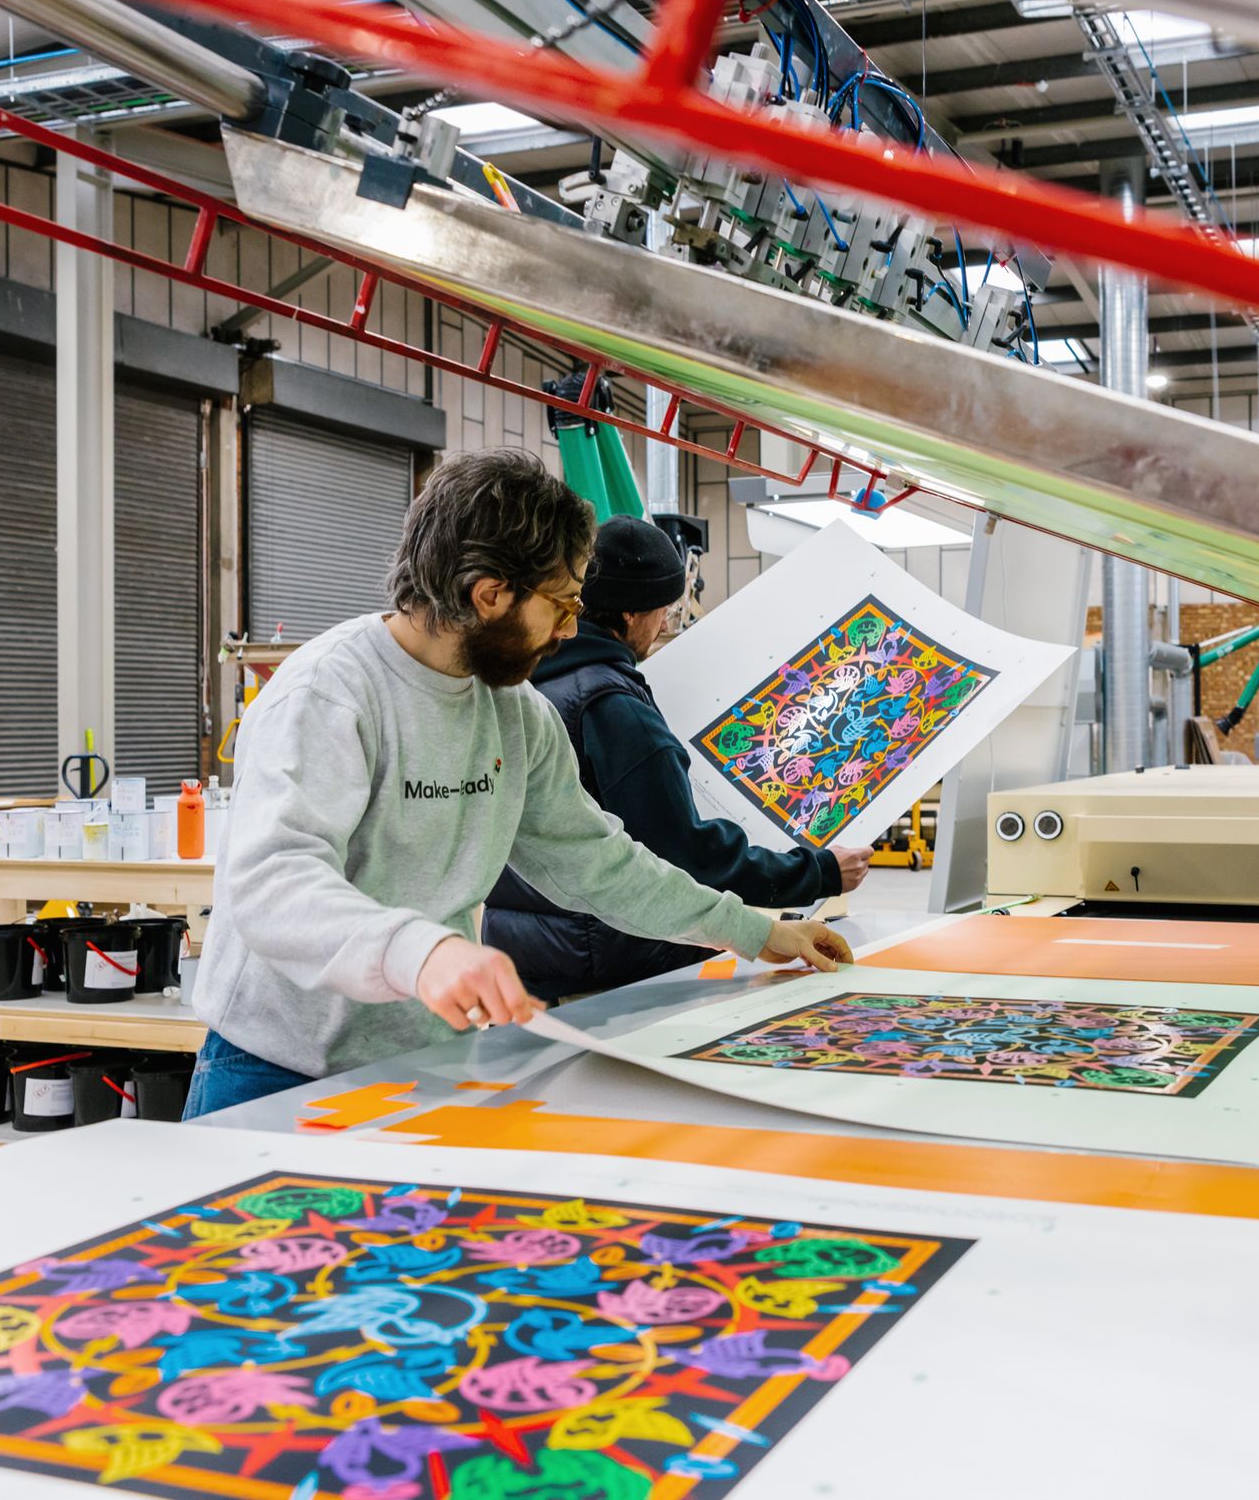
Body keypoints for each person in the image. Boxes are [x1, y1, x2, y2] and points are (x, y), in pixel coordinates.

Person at [183, 449, 850, 1119]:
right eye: (560, 604)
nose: (569, 629)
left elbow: (600, 864)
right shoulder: (331, 693)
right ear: (490, 593)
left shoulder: (516, 714)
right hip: (274, 1069)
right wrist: (424, 951)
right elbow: (274, 881)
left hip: (423, 1065)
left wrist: (752, 930)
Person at [486, 517, 869, 999]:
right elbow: (684, 852)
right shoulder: (612, 705)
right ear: (628, 615)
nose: (665, 622)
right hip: (613, 966)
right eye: (661, 609)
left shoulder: (523, 687)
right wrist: (818, 871)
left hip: (523, 960)